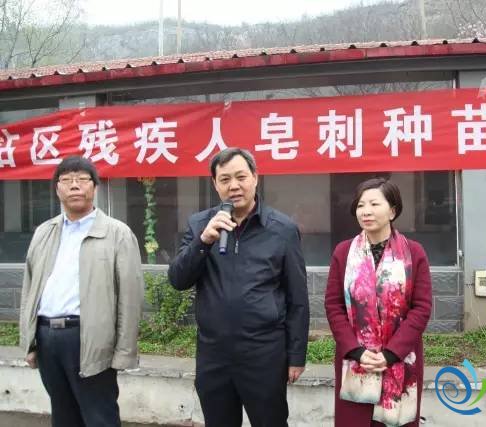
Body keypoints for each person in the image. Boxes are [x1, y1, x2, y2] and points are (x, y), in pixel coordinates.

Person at [168, 147, 309, 427]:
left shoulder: (282, 229)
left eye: (241, 177)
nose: (234, 186)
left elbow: (298, 298)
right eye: (225, 179)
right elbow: (178, 280)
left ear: (255, 177)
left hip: (264, 353)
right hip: (213, 354)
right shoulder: (200, 224)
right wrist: (203, 242)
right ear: (215, 184)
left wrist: (296, 355)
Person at [19, 155, 144, 427]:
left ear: (95, 187)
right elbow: (30, 289)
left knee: (99, 416)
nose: (74, 185)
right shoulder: (44, 232)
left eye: (82, 179)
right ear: (57, 189)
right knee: (63, 415)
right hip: (48, 337)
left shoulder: (117, 233)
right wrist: (29, 341)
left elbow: (130, 297)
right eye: (66, 180)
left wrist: (124, 351)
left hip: (90, 340)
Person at [324, 177, 432, 427]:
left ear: (392, 211)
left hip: (400, 359)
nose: (366, 211)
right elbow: (333, 305)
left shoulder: (413, 253)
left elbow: (421, 308)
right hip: (355, 361)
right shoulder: (344, 252)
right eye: (361, 205)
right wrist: (356, 351)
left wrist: (391, 353)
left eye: (374, 204)